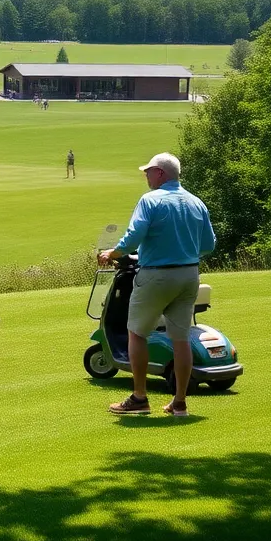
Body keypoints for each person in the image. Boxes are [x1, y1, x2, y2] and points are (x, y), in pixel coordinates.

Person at [99, 152, 216, 418]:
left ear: (161, 173)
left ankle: (140, 397)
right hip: (188, 275)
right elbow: (208, 245)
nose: (146, 176)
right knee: (181, 338)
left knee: (137, 333)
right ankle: (179, 402)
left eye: (149, 171)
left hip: (156, 275)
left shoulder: (150, 200)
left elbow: (133, 237)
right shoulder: (196, 202)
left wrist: (112, 254)